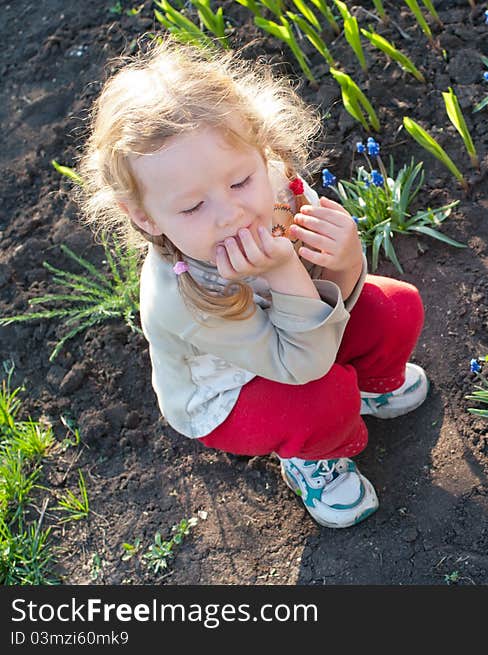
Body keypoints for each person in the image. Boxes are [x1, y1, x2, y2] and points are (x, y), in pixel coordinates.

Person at [76, 40, 427, 529]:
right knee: (323, 397)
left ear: (261, 151)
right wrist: (284, 273)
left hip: (303, 339)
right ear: (143, 216)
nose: (231, 213)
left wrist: (346, 261)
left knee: (396, 307)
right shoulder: (181, 296)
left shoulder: (280, 188)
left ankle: (371, 390)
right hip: (233, 395)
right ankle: (313, 460)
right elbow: (301, 366)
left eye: (241, 181)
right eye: (193, 207)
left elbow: (336, 298)